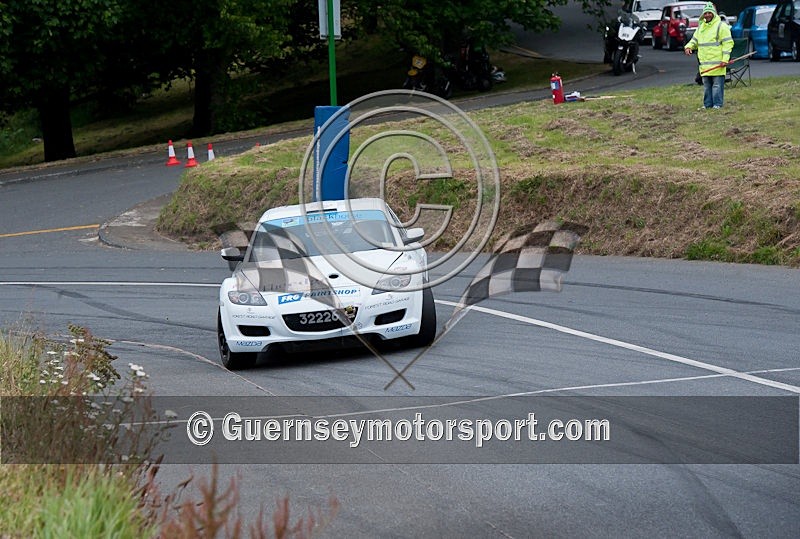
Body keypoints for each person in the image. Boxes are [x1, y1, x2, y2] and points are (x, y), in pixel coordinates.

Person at [684, 3, 733, 109]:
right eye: (705, 13)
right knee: (707, 87)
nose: (707, 15)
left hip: (718, 64)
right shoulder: (701, 28)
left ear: (714, 14)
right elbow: (694, 41)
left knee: (717, 86)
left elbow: (728, 43)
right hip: (705, 65)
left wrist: (725, 59)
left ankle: (717, 105)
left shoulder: (721, 26)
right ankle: (707, 105)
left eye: (709, 13)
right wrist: (688, 47)